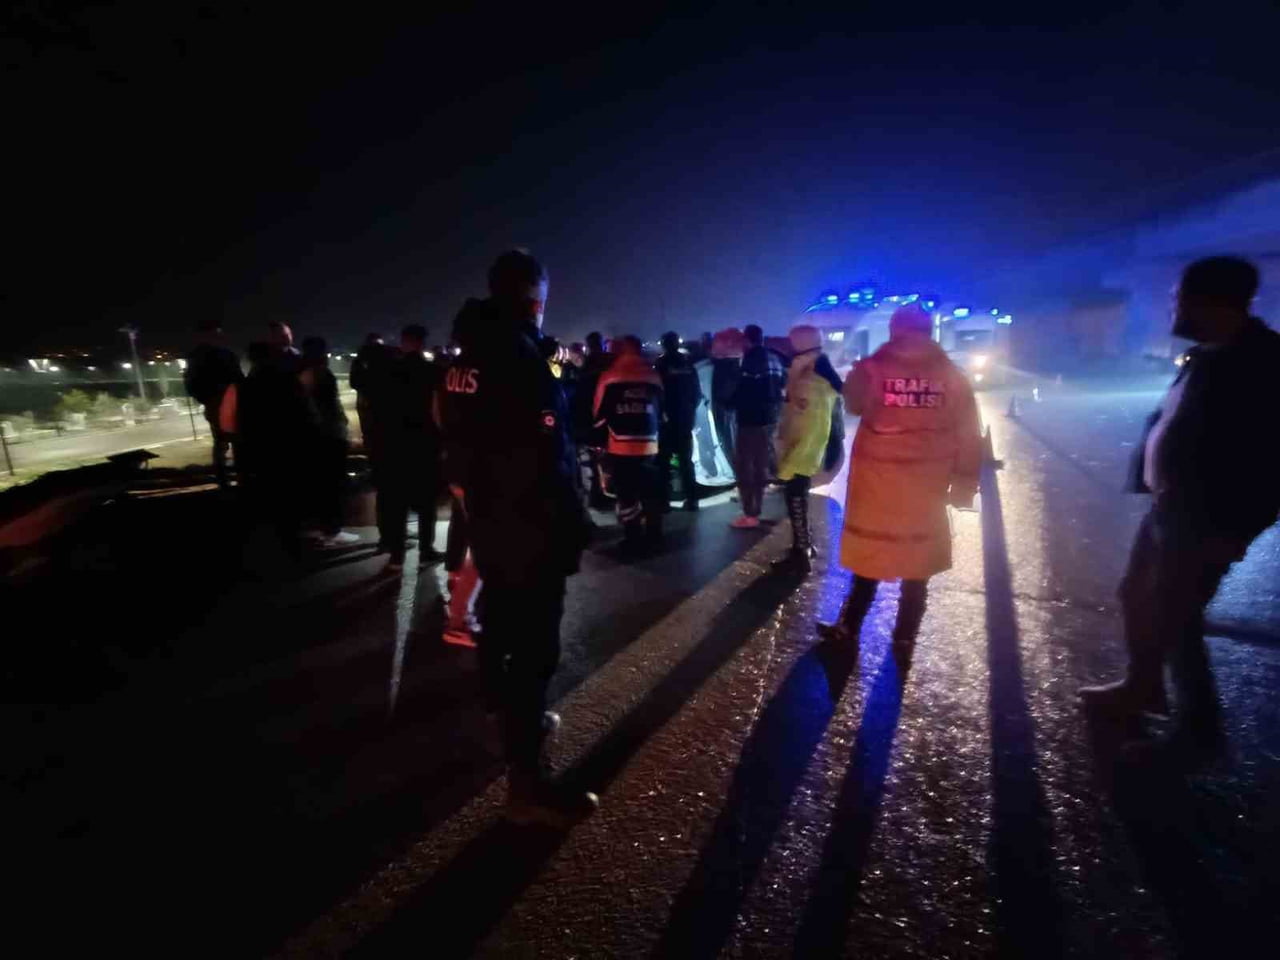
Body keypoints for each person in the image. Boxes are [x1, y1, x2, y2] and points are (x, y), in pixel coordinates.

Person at [1079, 256, 1280, 763]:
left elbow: (1268, 459)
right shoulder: (1210, 354)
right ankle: (1142, 688)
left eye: (1180, 298)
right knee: (1139, 597)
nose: (1175, 307)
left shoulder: (1260, 362)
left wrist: (1235, 530)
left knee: (1177, 619)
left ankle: (1199, 734)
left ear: (1210, 302)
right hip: (1173, 507)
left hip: (1208, 517)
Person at [437, 250, 596, 826]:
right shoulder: (521, 354)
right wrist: (574, 522)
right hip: (530, 522)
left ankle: (511, 717)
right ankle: (528, 782)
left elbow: (455, 430)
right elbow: (550, 451)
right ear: (535, 297)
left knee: (501, 623)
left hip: (489, 516)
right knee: (535, 645)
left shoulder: (467, 354)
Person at [816, 303, 982, 656]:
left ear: (894, 330)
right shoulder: (952, 375)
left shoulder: (875, 367)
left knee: (869, 558)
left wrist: (868, 367)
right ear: (930, 331)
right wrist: (965, 484)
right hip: (927, 486)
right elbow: (969, 433)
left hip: (877, 484)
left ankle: (849, 627)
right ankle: (905, 636)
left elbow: (854, 405)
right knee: (917, 562)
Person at [772, 325, 843, 574]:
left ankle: (801, 552)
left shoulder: (816, 368)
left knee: (795, 493)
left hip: (809, 444)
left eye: (793, 342)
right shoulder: (812, 364)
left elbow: (830, 401)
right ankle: (802, 546)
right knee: (795, 493)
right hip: (804, 441)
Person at [374, 324, 444, 572]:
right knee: (426, 502)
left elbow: (379, 410)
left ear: (404, 342)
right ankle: (426, 548)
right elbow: (436, 411)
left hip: (394, 444)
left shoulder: (389, 370)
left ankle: (396, 555)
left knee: (397, 502)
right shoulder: (432, 371)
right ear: (422, 343)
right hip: (423, 443)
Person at [593, 335, 665, 547]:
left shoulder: (610, 376)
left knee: (627, 494)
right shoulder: (653, 376)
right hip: (650, 444)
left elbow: (599, 416)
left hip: (621, 445)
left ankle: (632, 537)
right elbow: (662, 411)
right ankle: (654, 534)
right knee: (650, 492)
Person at [299, 336, 358, 546]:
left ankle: (323, 528)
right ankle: (332, 530)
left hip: (318, 437)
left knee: (322, 484)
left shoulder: (303, 373)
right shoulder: (318, 373)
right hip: (329, 437)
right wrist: (341, 430)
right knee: (332, 485)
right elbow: (329, 408)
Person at [730, 323, 786, 528]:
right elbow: (782, 385)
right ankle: (757, 506)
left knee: (745, 466)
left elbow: (743, 391)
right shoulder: (774, 358)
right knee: (761, 464)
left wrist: (729, 403)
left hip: (750, 419)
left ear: (747, 340)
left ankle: (750, 513)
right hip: (770, 418)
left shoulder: (751, 360)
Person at [183, 318, 242, 488]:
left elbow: (191, 383)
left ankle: (228, 479)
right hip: (218, 403)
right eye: (214, 332)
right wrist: (211, 399)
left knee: (227, 443)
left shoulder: (221, 354)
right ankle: (228, 479)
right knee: (225, 442)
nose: (218, 335)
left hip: (225, 402)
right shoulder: (202, 356)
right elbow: (192, 383)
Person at [654, 331, 703, 511]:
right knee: (685, 461)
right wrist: (689, 412)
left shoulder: (660, 365)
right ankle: (692, 500)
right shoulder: (689, 364)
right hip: (685, 420)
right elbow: (697, 394)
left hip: (666, 421)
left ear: (664, 345)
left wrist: (661, 414)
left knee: (663, 462)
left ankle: (663, 502)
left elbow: (656, 393)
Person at [576, 331, 613, 510]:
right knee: (609, 458)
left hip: (594, 418)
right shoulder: (609, 361)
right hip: (611, 417)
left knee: (595, 461)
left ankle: (599, 496)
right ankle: (609, 493)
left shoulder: (587, 365)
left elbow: (582, 396)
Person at [709, 329, 743, 468]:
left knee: (729, 439)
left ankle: (736, 471)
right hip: (739, 410)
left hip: (726, 408)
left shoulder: (721, 367)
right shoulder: (742, 364)